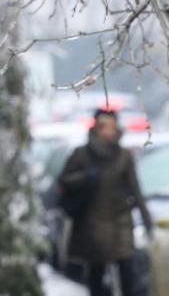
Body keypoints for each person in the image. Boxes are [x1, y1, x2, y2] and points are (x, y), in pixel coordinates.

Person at [58, 108, 152, 296]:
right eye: (103, 126)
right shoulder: (82, 154)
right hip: (93, 224)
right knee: (96, 275)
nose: (107, 131)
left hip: (120, 222)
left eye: (111, 126)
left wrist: (146, 218)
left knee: (128, 275)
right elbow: (64, 181)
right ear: (95, 128)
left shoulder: (124, 156)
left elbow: (135, 188)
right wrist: (85, 177)